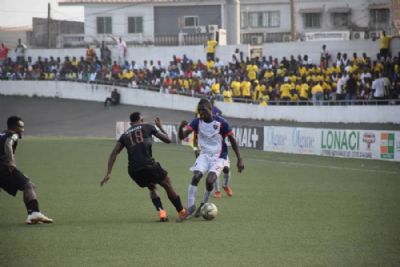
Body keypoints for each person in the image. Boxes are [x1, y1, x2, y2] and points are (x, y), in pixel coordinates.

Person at [100, 112, 187, 222]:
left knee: (151, 186)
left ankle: (162, 213)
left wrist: (108, 173)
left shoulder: (125, 135)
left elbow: (113, 153)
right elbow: (168, 140)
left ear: (131, 123)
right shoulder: (148, 127)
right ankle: (182, 211)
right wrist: (160, 127)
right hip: (148, 165)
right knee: (167, 183)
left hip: (134, 171)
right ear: (141, 119)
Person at [177, 98, 244, 221]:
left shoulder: (222, 123)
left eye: (204, 111)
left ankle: (203, 203)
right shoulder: (197, 122)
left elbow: (233, 141)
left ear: (210, 109)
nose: (201, 113)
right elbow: (183, 136)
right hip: (204, 155)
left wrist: (239, 158)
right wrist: (180, 127)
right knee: (196, 176)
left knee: (210, 181)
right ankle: (191, 207)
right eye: (199, 111)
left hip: (219, 157)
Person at [0, 116, 53, 224]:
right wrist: (11, 161)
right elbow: (8, 144)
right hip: (4, 167)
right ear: (14, 127)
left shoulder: (1, 135)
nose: (23, 130)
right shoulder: (12, 135)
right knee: (28, 185)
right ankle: (34, 213)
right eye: (21, 127)